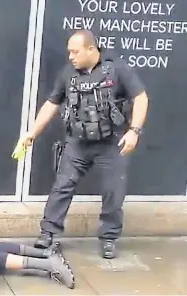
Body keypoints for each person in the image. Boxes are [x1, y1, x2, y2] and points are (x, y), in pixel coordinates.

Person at [18, 29, 149, 259]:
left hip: (111, 143)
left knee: (112, 191)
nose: (70, 56)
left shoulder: (117, 68)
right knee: (62, 186)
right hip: (78, 142)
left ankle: (108, 238)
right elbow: (52, 103)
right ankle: (47, 233)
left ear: (91, 49)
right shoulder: (68, 73)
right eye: (69, 51)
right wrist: (32, 133)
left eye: (75, 51)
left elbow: (140, 97)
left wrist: (134, 131)